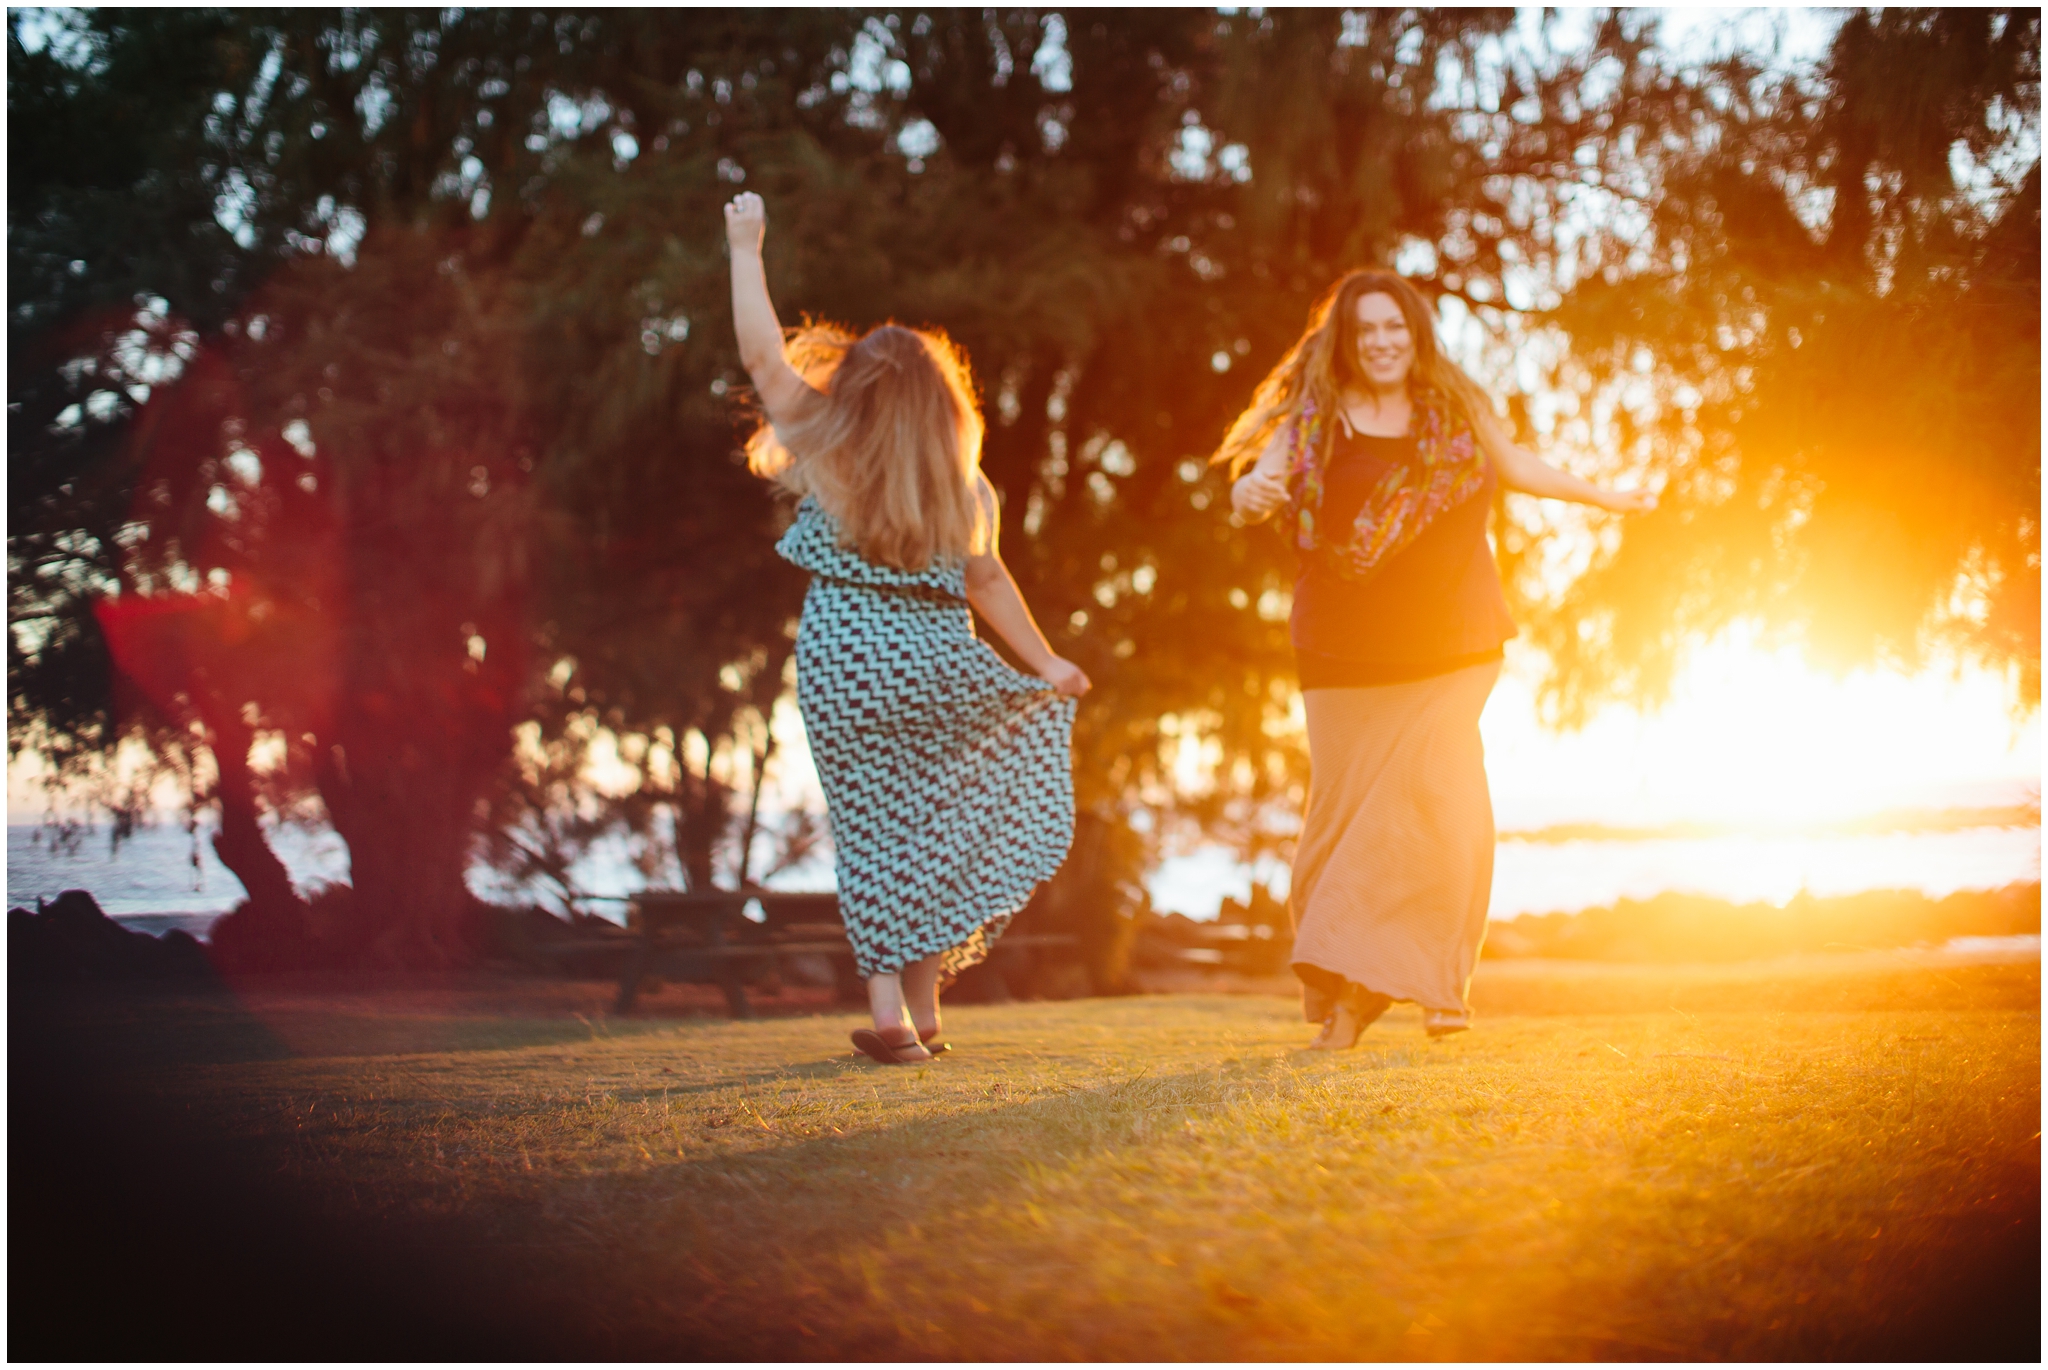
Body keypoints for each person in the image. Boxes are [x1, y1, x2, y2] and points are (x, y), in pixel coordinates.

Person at [1214, 269, 1654, 1048]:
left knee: (1444, 803)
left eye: (1395, 328)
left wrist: (1608, 498)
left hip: (1454, 640)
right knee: (1346, 822)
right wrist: (1249, 494)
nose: (1382, 342)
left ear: (1416, 335)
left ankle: (1437, 980)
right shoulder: (1316, 418)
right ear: (1344, 343)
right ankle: (1353, 997)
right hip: (1341, 648)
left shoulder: (1456, 407)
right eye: (1366, 331)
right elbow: (1261, 483)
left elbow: (1519, 467)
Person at [724, 191, 1090, 1064]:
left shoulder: (827, 447)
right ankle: (920, 1014)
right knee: (927, 829)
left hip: (844, 658)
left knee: (869, 828)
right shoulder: (967, 488)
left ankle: (893, 1015)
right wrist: (1047, 663)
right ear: (943, 403)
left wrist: (746, 247)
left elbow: (762, 357)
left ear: (855, 392)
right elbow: (988, 581)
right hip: (934, 657)